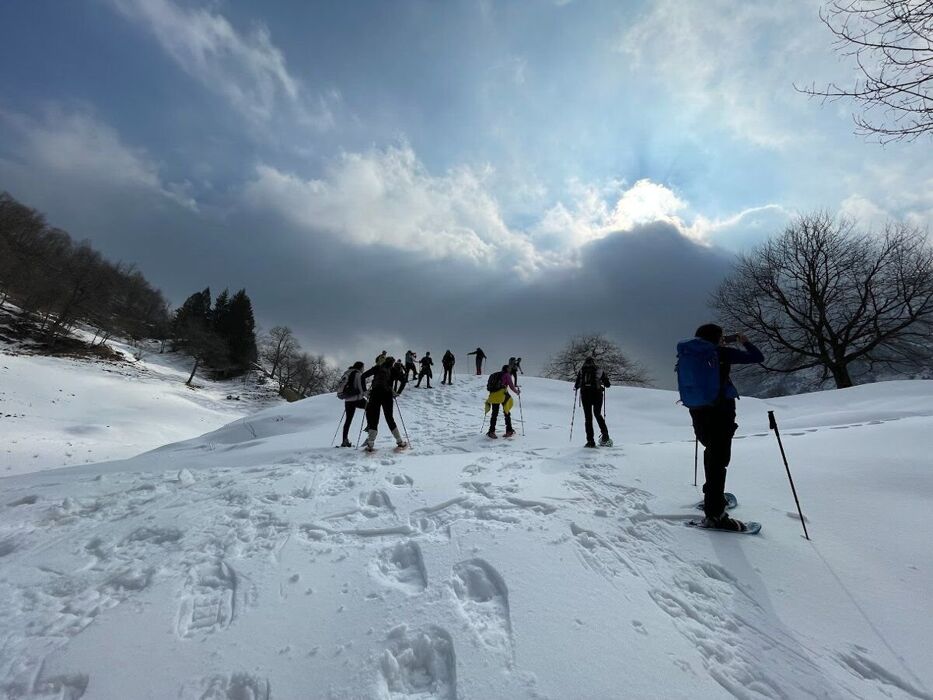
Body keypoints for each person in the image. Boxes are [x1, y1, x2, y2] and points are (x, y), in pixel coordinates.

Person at [686, 324, 764, 532]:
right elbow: (757, 357)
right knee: (719, 460)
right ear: (717, 338)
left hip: (698, 411)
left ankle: (713, 498)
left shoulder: (690, 353)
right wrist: (743, 341)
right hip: (720, 411)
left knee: (711, 453)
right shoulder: (720, 352)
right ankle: (715, 515)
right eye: (721, 337)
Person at [361, 356, 407, 451]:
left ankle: (370, 443)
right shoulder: (394, 370)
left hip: (375, 394)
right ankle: (399, 441)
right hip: (387, 395)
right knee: (389, 418)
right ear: (393, 363)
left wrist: (365, 391)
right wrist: (398, 392)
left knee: (374, 418)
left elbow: (363, 376)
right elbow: (403, 381)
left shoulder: (378, 368)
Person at [574, 356, 611, 448]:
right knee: (597, 414)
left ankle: (590, 441)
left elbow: (576, 385)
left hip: (585, 396)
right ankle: (605, 436)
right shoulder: (599, 370)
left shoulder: (581, 370)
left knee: (588, 418)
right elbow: (608, 384)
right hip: (597, 395)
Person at [484, 364, 520, 439]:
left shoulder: (495, 375)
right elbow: (511, 386)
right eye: (509, 368)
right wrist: (517, 392)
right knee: (506, 412)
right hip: (502, 395)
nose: (510, 370)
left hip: (493, 395)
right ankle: (509, 430)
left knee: (494, 413)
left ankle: (491, 431)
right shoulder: (507, 375)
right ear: (507, 369)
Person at [338, 361, 367, 447]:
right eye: (363, 367)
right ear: (360, 367)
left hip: (348, 400)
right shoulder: (358, 374)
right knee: (370, 407)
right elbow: (360, 388)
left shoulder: (348, 373)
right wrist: (366, 394)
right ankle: (370, 427)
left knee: (348, 420)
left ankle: (344, 440)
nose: (363, 369)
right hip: (357, 399)